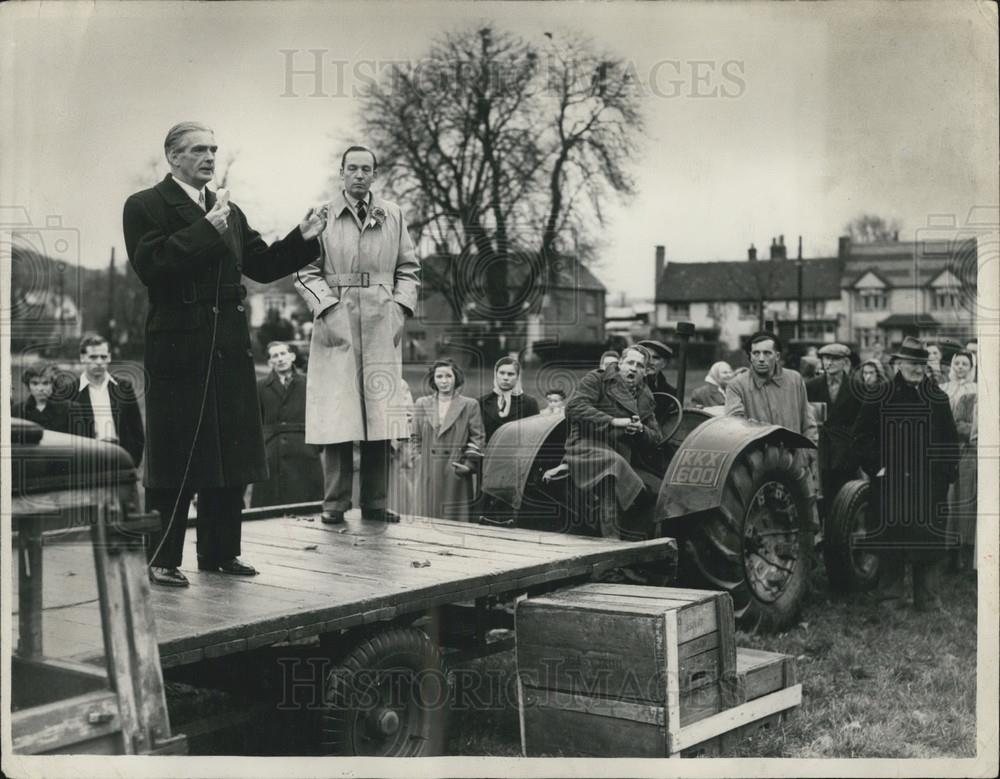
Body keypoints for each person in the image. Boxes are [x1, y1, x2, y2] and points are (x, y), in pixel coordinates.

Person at [123, 121, 327, 587]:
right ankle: (161, 558)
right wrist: (205, 230)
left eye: (213, 149)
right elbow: (152, 267)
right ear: (173, 156)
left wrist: (303, 236)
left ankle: (220, 553)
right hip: (179, 347)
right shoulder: (144, 205)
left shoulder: (227, 210)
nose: (210, 157)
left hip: (231, 347)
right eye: (198, 149)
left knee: (230, 451)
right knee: (177, 453)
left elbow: (262, 264)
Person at [293, 145, 420, 526]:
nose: (360, 175)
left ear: (375, 174)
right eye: (353, 168)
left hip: (382, 320)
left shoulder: (393, 214)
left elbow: (409, 268)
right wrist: (327, 310)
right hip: (337, 319)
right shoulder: (323, 215)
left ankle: (376, 503)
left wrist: (399, 310)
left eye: (367, 169)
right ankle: (334, 503)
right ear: (342, 172)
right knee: (338, 413)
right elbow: (303, 271)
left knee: (379, 414)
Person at [852, 336, 959, 611]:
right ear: (899, 363)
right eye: (912, 363)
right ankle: (891, 598)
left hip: (928, 487)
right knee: (892, 543)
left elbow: (949, 440)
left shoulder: (938, 397)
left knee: (929, 545)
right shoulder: (880, 394)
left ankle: (929, 599)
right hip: (891, 486)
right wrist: (878, 468)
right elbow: (861, 437)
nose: (917, 368)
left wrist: (945, 475)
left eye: (922, 363)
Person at [563, 346, 664, 539]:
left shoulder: (645, 395)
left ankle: (641, 538)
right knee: (613, 469)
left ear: (645, 371)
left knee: (660, 487)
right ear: (620, 364)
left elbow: (656, 437)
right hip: (585, 445)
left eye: (639, 366)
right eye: (630, 363)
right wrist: (612, 421)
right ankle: (611, 542)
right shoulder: (598, 379)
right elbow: (574, 408)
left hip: (620, 451)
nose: (633, 369)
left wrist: (640, 430)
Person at [725, 333, 818, 519]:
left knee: (805, 522)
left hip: (795, 468)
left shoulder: (794, 380)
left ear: (777, 355)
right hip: (757, 473)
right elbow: (735, 424)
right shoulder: (737, 386)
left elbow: (808, 422)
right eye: (755, 353)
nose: (760, 359)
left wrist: (807, 455)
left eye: (767, 353)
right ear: (750, 356)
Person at [250, 341, 323, 508]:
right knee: (270, 507)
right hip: (272, 451)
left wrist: (315, 446)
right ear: (269, 362)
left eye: (283, 354)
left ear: (292, 357)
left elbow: (318, 415)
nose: (280, 359)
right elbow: (258, 420)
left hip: (304, 450)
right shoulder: (260, 387)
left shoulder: (308, 383)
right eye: (275, 356)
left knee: (306, 505)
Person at [412, 360, 485, 522]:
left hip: (454, 469)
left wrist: (468, 465)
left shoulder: (470, 405)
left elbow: (477, 438)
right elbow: (414, 437)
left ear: (456, 378)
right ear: (433, 379)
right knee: (427, 520)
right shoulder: (422, 403)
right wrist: (418, 460)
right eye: (439, 376)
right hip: (427, 470)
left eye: (448, 376)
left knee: (453, 522)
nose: (444, 381)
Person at [68, 334, 145, 470]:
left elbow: (136, 430)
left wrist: (132, 462)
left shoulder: (123, 387)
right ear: (82, 358)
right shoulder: (71, 392)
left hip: (120, 458)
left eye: (103, 357)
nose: (99, 362)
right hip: (87, 462)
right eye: (93, 357)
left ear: (109, 357)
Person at [805, 344, 864, 520]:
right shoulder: (811, 387)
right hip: (818, 450)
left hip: (846, 454)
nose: (828, 363)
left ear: (845, 362)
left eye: (834, 359)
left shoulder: (857, 387)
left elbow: (862, 423)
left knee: (845, 499)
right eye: (825, 358)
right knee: (820, 498)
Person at [943, 351, 977, 572]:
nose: (960, 367)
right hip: (945, 449)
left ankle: (964, 552)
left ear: (971, 367)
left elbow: (971, 423)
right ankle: (948, 552)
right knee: (947, 498)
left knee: (965, 498)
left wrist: (959, 429)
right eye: (957, 363)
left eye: (965, 363)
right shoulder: (943, 388)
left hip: (966, 450)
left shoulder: (975, 390)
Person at [479, 356, 540, 442]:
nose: (505, 378)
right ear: (495, 374)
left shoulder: (529, 403)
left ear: (518, 377)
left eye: (510, 374)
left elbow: (534, 435)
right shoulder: (482, 402)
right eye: (502, 373)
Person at [12, 361, 70, 433]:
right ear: (28, 385)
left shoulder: (69, 409)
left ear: (54, 384)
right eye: (35, 383)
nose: (40, 389)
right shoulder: (16, 411)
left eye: (45, 383)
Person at [636, 339, 679, 425]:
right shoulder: (630, 385)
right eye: (646, 357)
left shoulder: (670, 393)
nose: (650, 362)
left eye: (656, 358)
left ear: (664, 363)